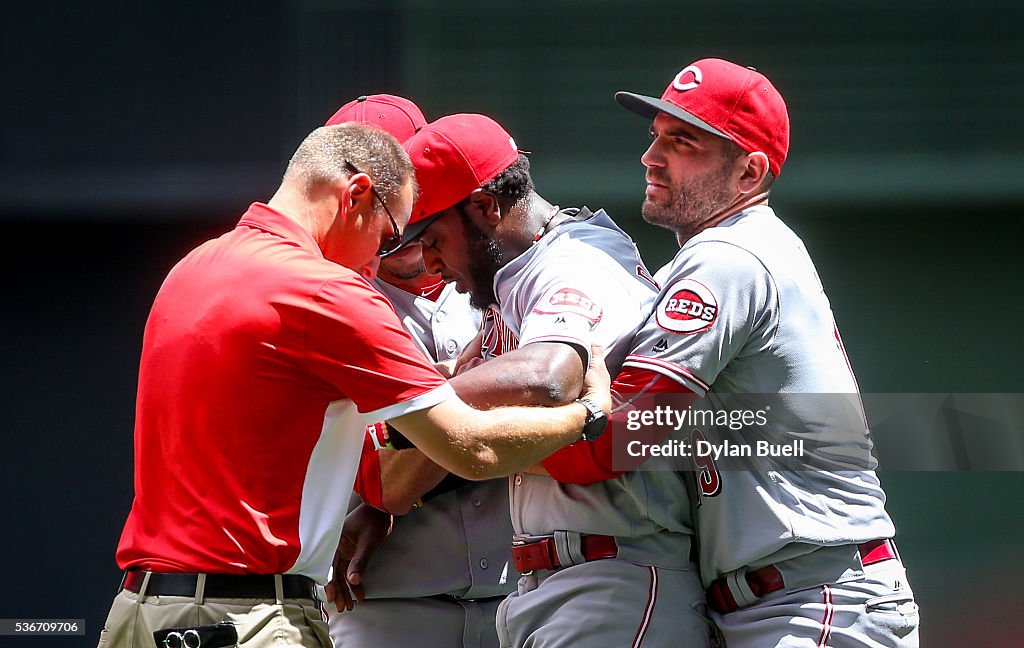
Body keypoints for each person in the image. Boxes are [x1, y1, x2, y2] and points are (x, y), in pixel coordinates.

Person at [97, 121, 612, 648]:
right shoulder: (327, 292)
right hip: (246, 620)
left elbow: (379, 477)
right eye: (388, 239)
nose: (377, 265)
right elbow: (473, 447)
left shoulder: (192, 267)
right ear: (357, 194)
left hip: (136, 614)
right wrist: (588, 414)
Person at [331, 113, 710, 648]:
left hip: (616, 572)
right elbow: (393, 484)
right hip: (556, 582)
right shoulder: (510, 285)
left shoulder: (579, 260)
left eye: (433, 237)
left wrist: (407, 414)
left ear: (485, 206)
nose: (431, 261)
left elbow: (548, 376)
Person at [613, 57, 921, 646]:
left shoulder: (732, 256)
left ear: (749, 173)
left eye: (684, 143)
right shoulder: (735, 252)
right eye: (656, 138)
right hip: (783, 597)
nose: (652, 157)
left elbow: (624, 434)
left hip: (813, 597)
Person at [322, 95, 518, 648]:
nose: (391, 223)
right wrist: (492, 380)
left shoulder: (505, 277)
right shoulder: (328, 302)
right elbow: (386, 479)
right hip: (386, 603)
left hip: (521, 595)